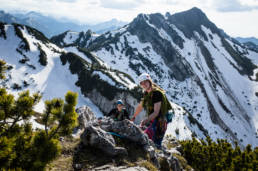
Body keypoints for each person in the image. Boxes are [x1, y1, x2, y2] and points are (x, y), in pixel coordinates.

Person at [131, 73, 172, 148]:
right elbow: (140, 106)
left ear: (149, 81)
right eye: (141, 83)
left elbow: (156, 112)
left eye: (145, 82)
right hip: (155, 117)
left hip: (162, 119)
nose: (143, 85)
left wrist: (146, 120)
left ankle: (158, 154)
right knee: (148, 136)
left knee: (155, 140)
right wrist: (134, 116)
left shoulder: (156, 93)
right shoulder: (146, 93)